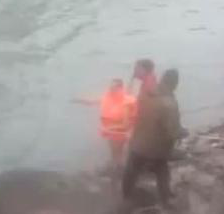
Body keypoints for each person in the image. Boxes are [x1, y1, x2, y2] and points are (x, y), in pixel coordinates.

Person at [122, 69, 182, 208]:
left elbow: (137, 114)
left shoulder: (145, 94)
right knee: (162, 171)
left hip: (138, 143)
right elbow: (172, 131)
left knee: (131, 170)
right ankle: (165, 201)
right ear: (175, 84)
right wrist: (180, 133)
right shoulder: (169, 103)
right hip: (157, 148)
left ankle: (126, 196)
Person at [73, 78, 137, 175]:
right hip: (112, 132)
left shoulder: (125, 103)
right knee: (114, 153)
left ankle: (118, 171)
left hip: (120, 133)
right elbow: (92, 102)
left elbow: (125, 124)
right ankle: (116, 170)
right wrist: (79, 100)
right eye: (111, 86)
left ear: (120, 88)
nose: (111, 89)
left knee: (117, 153)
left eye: (114, 87)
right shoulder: (109, 97)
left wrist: (109, 128)